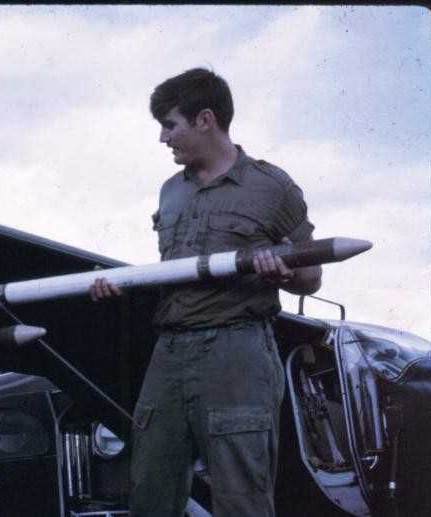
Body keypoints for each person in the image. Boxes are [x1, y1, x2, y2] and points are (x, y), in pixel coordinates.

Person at [89, 68, 321, 516]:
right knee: (149, 490)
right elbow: (173, 276)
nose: (162, 138)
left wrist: (284, 273)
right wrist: (119, 290)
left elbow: (311, 276)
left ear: (205, 120)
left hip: (236, 351)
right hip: (170, 353)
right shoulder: (171, 192)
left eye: (169, 124)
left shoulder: (271, 187)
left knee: (241, 496)